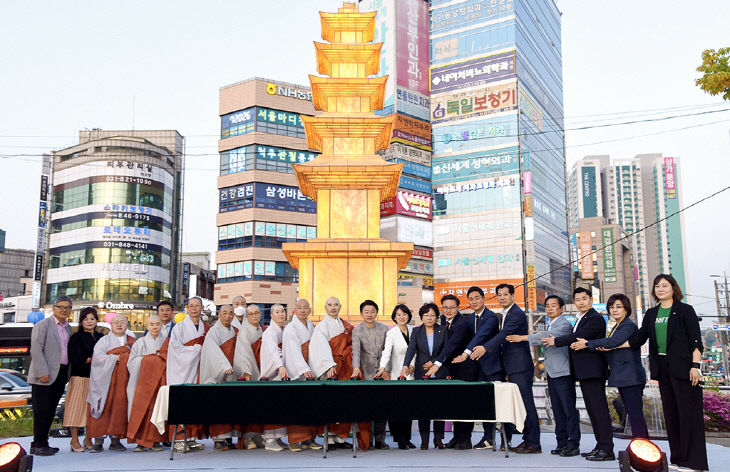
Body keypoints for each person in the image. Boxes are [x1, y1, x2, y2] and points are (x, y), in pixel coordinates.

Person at [625, 274, 707, 470]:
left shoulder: (685, 310)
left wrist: (695, 367)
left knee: (689, 416)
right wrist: (608, 345)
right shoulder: (652, 313)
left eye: (664, 285)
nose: (660, 289)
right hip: (663, 369)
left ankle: (694, 462)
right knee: (671, 415)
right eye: (657, 286)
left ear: (673, 288)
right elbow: (639, 338)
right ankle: (678, 458)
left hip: (685, 369)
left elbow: (696, 341)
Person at [467, 284, 541, 453]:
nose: (502, 298)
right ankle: (528, 440)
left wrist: (485, 348)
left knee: (527, 405)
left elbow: (503, 334)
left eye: (505, 295)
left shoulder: (516, 314)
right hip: (512, 367)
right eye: (499, 295)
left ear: (513, 296)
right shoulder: (506, 313)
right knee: (522, 404)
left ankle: (534, 443)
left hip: (520, 366)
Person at [544, 287, 613, 461]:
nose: (581, 302)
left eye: (584, 299)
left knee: (599, 410)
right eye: (578, 299)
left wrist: (556, 341)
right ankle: (600, 447)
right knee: (592, 411)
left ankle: (607, 449)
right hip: (584, 372)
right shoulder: (580, 318)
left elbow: (580, 336)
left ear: (590, 299)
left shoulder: (595, 318)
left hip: (593, 371)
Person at [507, 295, 580, 456]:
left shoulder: (564, 324)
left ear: (562, 309)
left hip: (563, 372)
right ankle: (562, 443)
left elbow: (545, 337)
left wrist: (522, 338)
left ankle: (573, 444)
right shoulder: (552, 323)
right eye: (547, 305)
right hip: (553, 373)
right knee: (557, 410)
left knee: (568, 409)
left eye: (554, 305)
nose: (550, 308)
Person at [571, 294, 648, 440]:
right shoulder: (617, 326)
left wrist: (588, 343)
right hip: (623, 376)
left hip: (631, 377)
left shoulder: (628, 325)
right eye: (611, 307)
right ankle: (640, 450)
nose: (614, 310)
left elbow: (614, 341)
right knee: (631, 415)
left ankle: (645, 451)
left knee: (635, 416)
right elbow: (612, 343)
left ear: (626, 309)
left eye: (619, 307)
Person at [308, 296, 370, 449]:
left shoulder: (345, 326)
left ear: (340, 306)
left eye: (336, 305)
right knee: (330, 404)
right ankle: (328, 437)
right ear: (325, 307)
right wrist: (328, 365)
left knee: (345, 403)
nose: (333, 307)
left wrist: (349, 353)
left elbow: (354, 343)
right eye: (330, 305)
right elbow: (319, 348)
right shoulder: (321, 327)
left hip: (346, 367)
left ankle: (340, 437)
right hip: (331, 369)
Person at [424, 294, 478, 450]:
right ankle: (456, 437)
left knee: (466, 407)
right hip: (450, 371)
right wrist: (434, 360)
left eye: (452, 307)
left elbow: (451, 346)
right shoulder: (441, 321)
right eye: (445, 307)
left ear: (458, 308)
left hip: (465, 371)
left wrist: (437, 363)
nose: (448, 310)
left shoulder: (462, 324)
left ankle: (465, 440)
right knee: (455, 405)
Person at [457, 286, 501, 450]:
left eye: (477, 298)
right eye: (471, 299)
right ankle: (488, 437)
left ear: (483, 299)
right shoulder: (469, 319)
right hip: (476, 369)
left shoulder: (491, 317)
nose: (474, 301)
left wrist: (466, 353)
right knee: (483, 404)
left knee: (497, 404)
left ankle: (506, 438)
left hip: (492, 367)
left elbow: (480, 336)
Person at [28, 295, 73, 456]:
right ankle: (38, 443)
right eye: (60, 306)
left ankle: (43, 442)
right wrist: (43, 372)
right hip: (44, 374)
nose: (64, 310)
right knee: (42, 410)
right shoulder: (43, 325)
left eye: (67, 307)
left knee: (50, 410)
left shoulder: (68, 327)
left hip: (60, 373)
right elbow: (36, 349)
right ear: (53, 308)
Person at [86, 314, 137, 452]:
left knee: (119, 407)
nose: (119, 325)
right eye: (116, 322)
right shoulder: (103, 341)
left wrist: (125, 358)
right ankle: (98, 440)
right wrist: (115, 358)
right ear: (111, 325)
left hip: (124, 380)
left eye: (122, 322)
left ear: (127, 324)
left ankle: (116, 439)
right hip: (105, 380)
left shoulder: (132, 341)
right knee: (104, 405)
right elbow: (98, 358)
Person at [401, 303, 447, 450]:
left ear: (437, 317)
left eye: (432, 315)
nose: (429, 318)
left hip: (440, 373)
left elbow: (447, 350)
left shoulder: (443, 330)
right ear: (421, 317)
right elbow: (411, 349)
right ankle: (424, 440)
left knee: (440, 409)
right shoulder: (416, 331)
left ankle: (438, 439)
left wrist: (434, 362)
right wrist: (405, 365)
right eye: (426, 315)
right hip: (422, 374)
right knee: (424, 409)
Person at [167, 297, 208, 452]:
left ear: (202, 308)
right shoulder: (179, 327)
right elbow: (175, 348)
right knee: (181, 401)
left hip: (198, 369)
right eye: (191, 306)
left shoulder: (205, 327)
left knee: (195, 402)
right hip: (182, 369)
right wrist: (195, 350)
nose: (194, 309)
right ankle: (178, 440)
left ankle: (191, 438)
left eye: (197, 306)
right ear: (187, 308)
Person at [281, 298, 323, 451]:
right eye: (300, 308)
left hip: (311, 370)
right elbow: (292, 351)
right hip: (298, 372)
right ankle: (294, 440)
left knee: (311, 407)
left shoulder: (311, 325)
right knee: (297, 407)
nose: (303, 310)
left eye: (306, 308)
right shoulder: (291, 328)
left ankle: (309, 439)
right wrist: (303, 368)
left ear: (310, 310)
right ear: (295, 310)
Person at [64, 307, 104, 452]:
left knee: (91, 410)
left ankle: (89, 437)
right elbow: (74, 358)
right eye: (86, 319)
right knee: (76, 408)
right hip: (80, 377)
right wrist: (89, 360)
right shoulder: (76, 337)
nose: (89, 322)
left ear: (96, 320)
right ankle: (74, 439)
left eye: (92, 319)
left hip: (97, 379)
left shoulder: (101, 337)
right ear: (81, 321)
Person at [376, 304, 415, 449]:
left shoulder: (414, 330)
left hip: (412, 374)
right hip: (397, 374)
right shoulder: (391, 333)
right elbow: (386, 352)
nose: (402, 317)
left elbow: (416, 351)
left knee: (409, 408)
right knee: (398, 408)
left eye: (404, 314)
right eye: (398, 315)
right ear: (394, 317)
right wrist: (382, 368)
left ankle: (407, 438)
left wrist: (413, 366)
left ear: (408, 316)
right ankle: (400, 439)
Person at [351, 299, 390, 449]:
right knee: (367, 408)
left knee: (382, 408)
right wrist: (356, 368)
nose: (369, 314)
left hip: (382, 373)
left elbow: (388, 351)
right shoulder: (357, 330)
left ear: (376, 313)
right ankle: (367, 440)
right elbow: (356, 351)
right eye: (366, 312)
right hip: (366, 373)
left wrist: (386, 369)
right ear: (361, 313)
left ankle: (380, 440)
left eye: (372, 311)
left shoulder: (384, 329)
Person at [199, 305, 238, 451]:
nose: (227, 316)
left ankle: (228, 438)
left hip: (232, 374)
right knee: (219, 405)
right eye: (224, 313)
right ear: (219, 314)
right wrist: (224, 366)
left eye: (230, 313)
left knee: (230, 406)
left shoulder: (234, 330)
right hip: (220, 374)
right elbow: (212, 351)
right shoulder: (214, 331)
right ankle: (218, 440)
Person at [126, 315, 166, 452]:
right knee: (141, 410)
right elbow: (131, 362)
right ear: (147, 326)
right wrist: (151, 360)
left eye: (157, 324)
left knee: (157, 410)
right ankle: (140, 441)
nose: (155, 327)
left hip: (159, 383)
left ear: (162, 326)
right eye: (152, 324)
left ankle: (155, 441)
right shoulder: (140, 343)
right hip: (142, 383)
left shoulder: (167, 342)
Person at [232, 303, 265, 450]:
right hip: (250, 371)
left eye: (257, 313)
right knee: (248, 404)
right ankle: (247, 438)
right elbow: (242, 352)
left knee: (260, 405)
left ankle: (258, 435)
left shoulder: (262, 330)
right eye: (251, 314)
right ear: (246, 316)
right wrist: (246, 370)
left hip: (261, 369)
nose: (254, 316)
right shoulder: (244, 331)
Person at [258, 304, 291, 452]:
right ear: (271, 315)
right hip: (272, 372)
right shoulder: (269, 332)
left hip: (281, 371)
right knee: (272, 406)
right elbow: (273, 351)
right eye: (277, 312)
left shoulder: (284, 330)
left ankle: (277, 437)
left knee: (281, 407)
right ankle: (270, 439)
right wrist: (280, 366)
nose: (281, 314)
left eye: (282, 311)